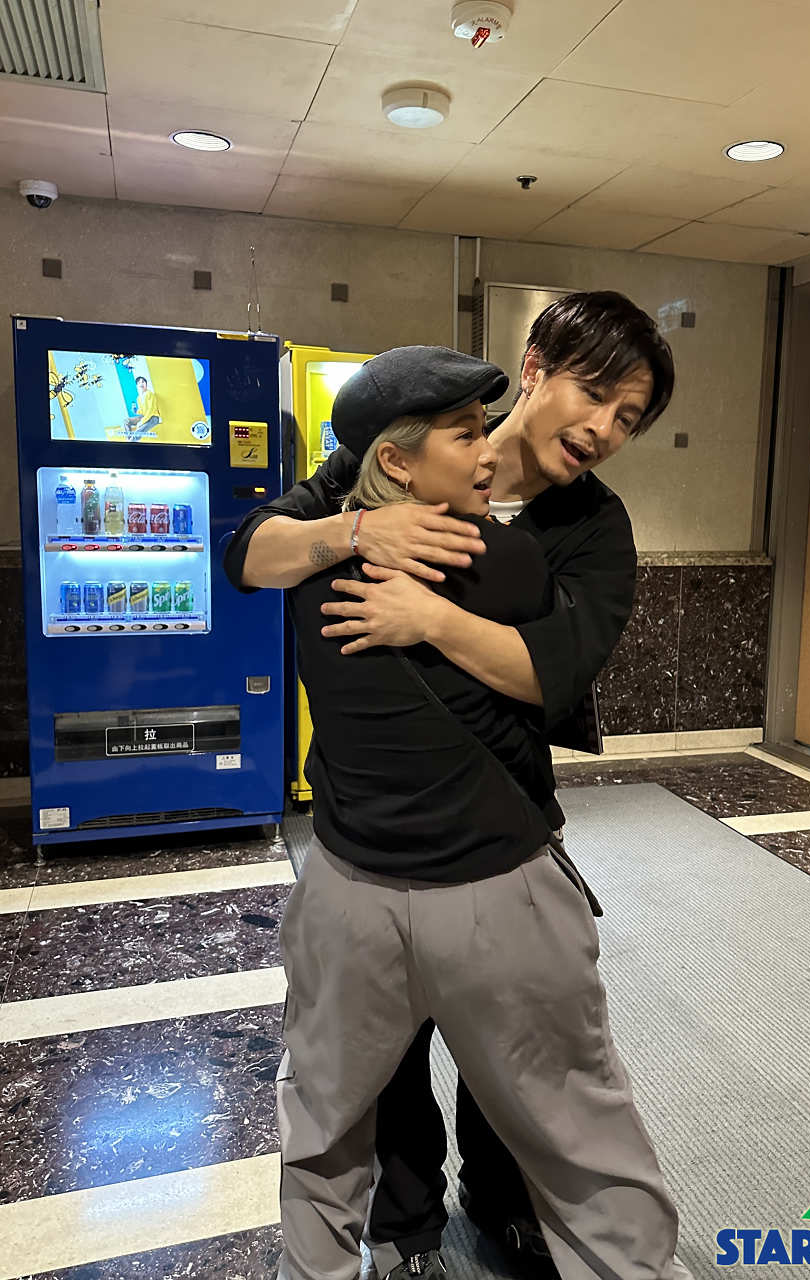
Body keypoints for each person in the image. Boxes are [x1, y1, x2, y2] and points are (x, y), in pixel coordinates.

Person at [225, 293, 678, 1278]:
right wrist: (355, 534)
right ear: (535, 368)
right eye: (594, 393)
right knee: (380, 1072)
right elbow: (251, 551)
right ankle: (408, 1227)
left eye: (628, 418)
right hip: (361, 843)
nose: (603, 429)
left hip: (495, 832)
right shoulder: (398, 439)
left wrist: (426, 616)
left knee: (518, 1065)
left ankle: (506, 1206)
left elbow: (558, 670)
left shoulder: (588, 525)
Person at [124, 374, 161, 439]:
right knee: (126, 421)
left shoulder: (150, 394)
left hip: (153, 417)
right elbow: (142, 411)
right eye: (139, 383)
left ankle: (132, 441)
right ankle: (129, 438)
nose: (141, 384)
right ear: (137, 386)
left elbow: (150, 410)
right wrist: (136, 411)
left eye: (143, 382)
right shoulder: (139, 398)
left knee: (138, 432)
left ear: (146, 384)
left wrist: (142, 422)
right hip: (144, 416)